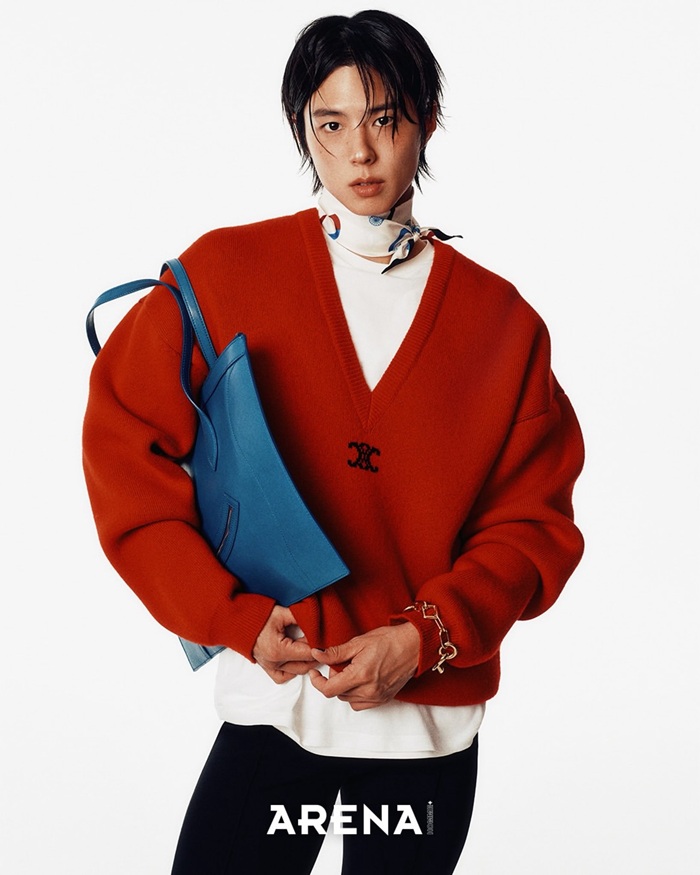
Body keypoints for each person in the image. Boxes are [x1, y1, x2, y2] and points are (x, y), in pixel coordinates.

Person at [83, 10, 584, 875]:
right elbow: (125, 451)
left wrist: (424, 637)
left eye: (385, 119)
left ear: (427, 119)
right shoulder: (225, 274)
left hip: (426, 734)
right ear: (300, 128)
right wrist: (230, 616)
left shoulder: (503, 326)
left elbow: (532, 527)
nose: (360, 152)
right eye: (331, 124)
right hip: (276, 711)